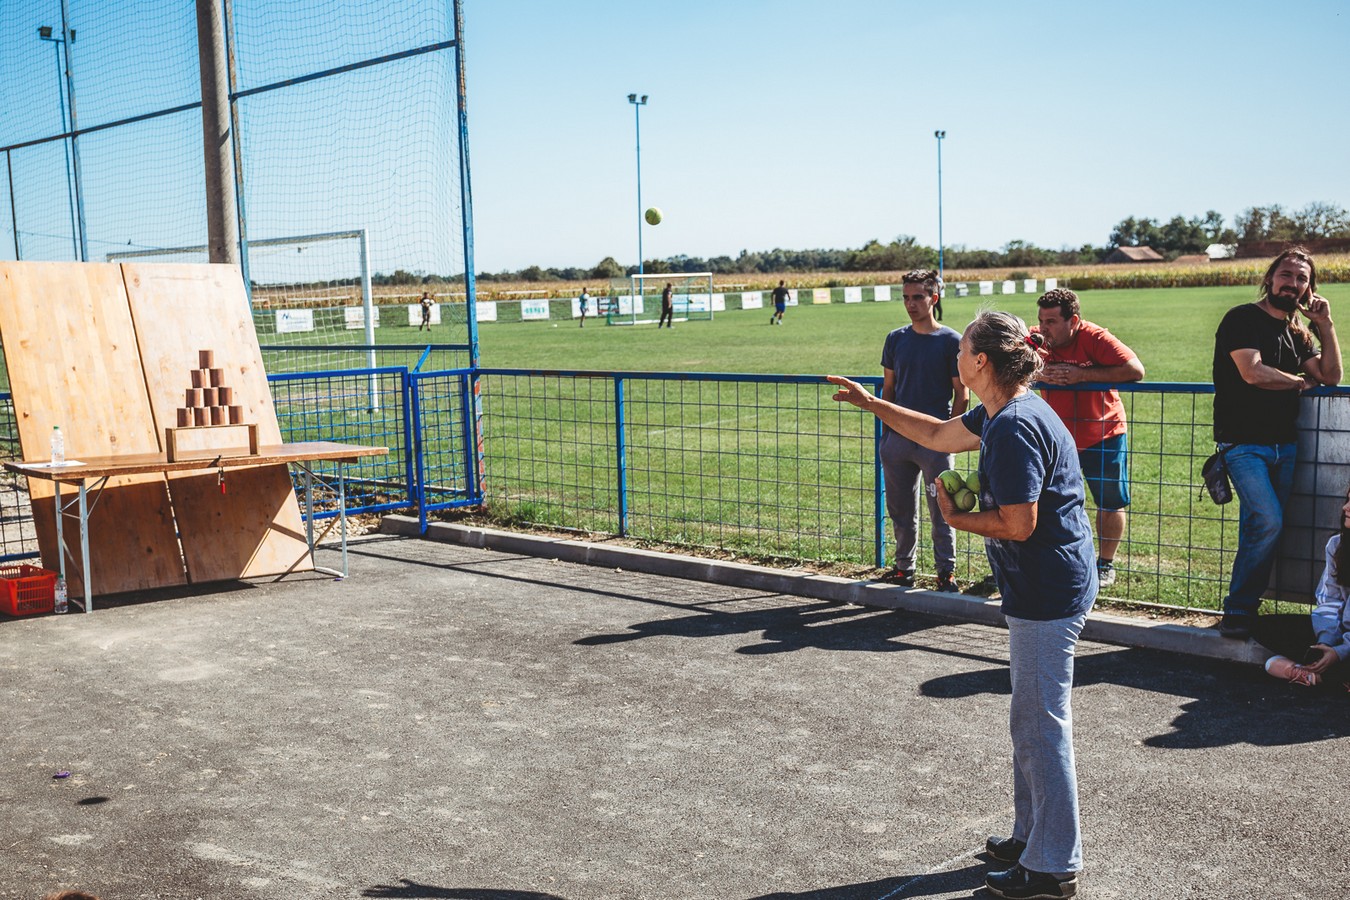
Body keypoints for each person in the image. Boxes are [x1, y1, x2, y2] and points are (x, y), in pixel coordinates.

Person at [829, 309, 1095, 900]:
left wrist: (954, 517)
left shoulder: (1014, 426)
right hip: (1042, 586)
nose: (955, 356)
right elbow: (937, 435)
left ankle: (1054, 866)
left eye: (962, 349)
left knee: (1041, 725)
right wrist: (872, 403)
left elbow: (1019, 524)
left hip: (1049, 591)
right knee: (1030, 721)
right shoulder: (1003, 410)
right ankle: (1031, 838)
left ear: (980, 361)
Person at [1212, 247, 1341, 639]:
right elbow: (1252, 372)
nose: (1293, 284)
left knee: (1260, 525)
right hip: (1242, 444)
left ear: (1309, 288)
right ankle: (1238, 609)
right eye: (1286, 275)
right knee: (1268, 520)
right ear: (1270, 278)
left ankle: (1243, 611)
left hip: (1285, 446)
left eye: (1302, 279)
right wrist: (1299, 383)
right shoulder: (1242, 318)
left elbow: (1331, 376)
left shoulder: (1298, 333)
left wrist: (1326, 325)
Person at [1033, 288, 1145, 587]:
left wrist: (1082, 375)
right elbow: (1006, 364)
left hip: (1103, 434)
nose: (1043, 328)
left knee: (1109, 502)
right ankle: (1049, 560)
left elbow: (1135, 370)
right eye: (1041, 320)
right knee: (1045, 502)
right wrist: (1041, 374)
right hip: (1056, 438)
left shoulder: (1095, 338)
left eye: (1051, 322)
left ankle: (1105, 564)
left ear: (1074, 321)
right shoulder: (1035, 339)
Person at [879, 268, 968, 590]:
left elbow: (962, 394)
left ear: (934, 297)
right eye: (906, 297)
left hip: (935, 443)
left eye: (918, 297)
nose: (910, 304)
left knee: (944, 510)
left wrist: (948, 436)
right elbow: (889, 390)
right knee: (901, 511)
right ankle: (904, 569)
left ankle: (946, 572)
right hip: (898, 442)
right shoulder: (895, 339)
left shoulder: (951, 341)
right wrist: (888, 434)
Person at [1260, 481, 1350, 690]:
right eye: (1347, 500)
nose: (1345, 507)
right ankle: (1330, 674)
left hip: (1346, 648)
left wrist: (1339, 653)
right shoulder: (1338, 545)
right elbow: (1330, 599)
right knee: (1262, 627)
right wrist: (1326, 643)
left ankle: (1317, 676)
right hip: (1339, 636)